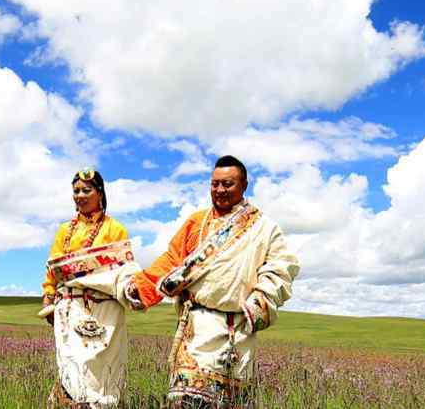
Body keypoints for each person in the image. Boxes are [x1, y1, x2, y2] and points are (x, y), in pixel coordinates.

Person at [124, 156, 300, 409]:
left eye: (227, 184)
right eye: (214, 184)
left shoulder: (265, 228)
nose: (219, 190)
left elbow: (281, 268)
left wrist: (259, 300)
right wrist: (140, 288)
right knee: (185, 400)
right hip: (196, 328)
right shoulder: (196, 223)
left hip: (238, 329)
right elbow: (172, 261)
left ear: (244, 185)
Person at [41, 168, 134, 408]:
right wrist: (48, 300)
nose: (80, 195)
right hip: (70, 308)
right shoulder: (65, 231)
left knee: (103, 368)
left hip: (106, 311)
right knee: (72, 364)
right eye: (76, 191)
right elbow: (54, 269)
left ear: (100, 193)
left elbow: (124, 272)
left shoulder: (115, 229)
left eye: (86, 190)